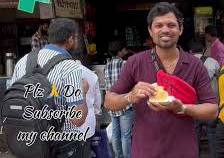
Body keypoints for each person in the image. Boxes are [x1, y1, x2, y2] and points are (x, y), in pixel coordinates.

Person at [104, 2, 218, 158]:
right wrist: (130, 96)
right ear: (150, 31)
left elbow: (212, 110)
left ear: (181, 29)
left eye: (171, 25)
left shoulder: (195, 65)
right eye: (159, 25)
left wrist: (183, 109)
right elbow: (109, 101)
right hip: (145, 151)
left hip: (184, 150)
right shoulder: (135, 62)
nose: (165, 30)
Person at [11, 18, 88, 158]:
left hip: (28, 142)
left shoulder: (23, 61)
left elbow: (11, 98)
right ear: (70, 40)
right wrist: (82, 91)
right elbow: (77, 119)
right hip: (63, 145)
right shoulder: (70, 67)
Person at [188, 38, 220, 157]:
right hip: (210, 104)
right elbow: (219, 79)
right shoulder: (213, 62)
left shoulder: (186, 63)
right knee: (212, 132)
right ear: (203, 50)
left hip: (193, 105)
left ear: (190, 51)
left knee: (194, 133)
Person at [104, 41, 133, 158]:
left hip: (112, 103)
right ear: (120, 51)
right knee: (125, 135)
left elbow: (107, 86)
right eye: (124, 50)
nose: (125, 52)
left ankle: (118, 156)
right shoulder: (125, 64)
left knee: (116, 133)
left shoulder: (107, 66)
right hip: (124, 103)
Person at [72, 51, 102, 158]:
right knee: (85, 152)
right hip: (87, 123)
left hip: (67, 125)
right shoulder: (92, 75)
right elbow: (98, 100)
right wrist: (97, 112)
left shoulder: (63, 73)